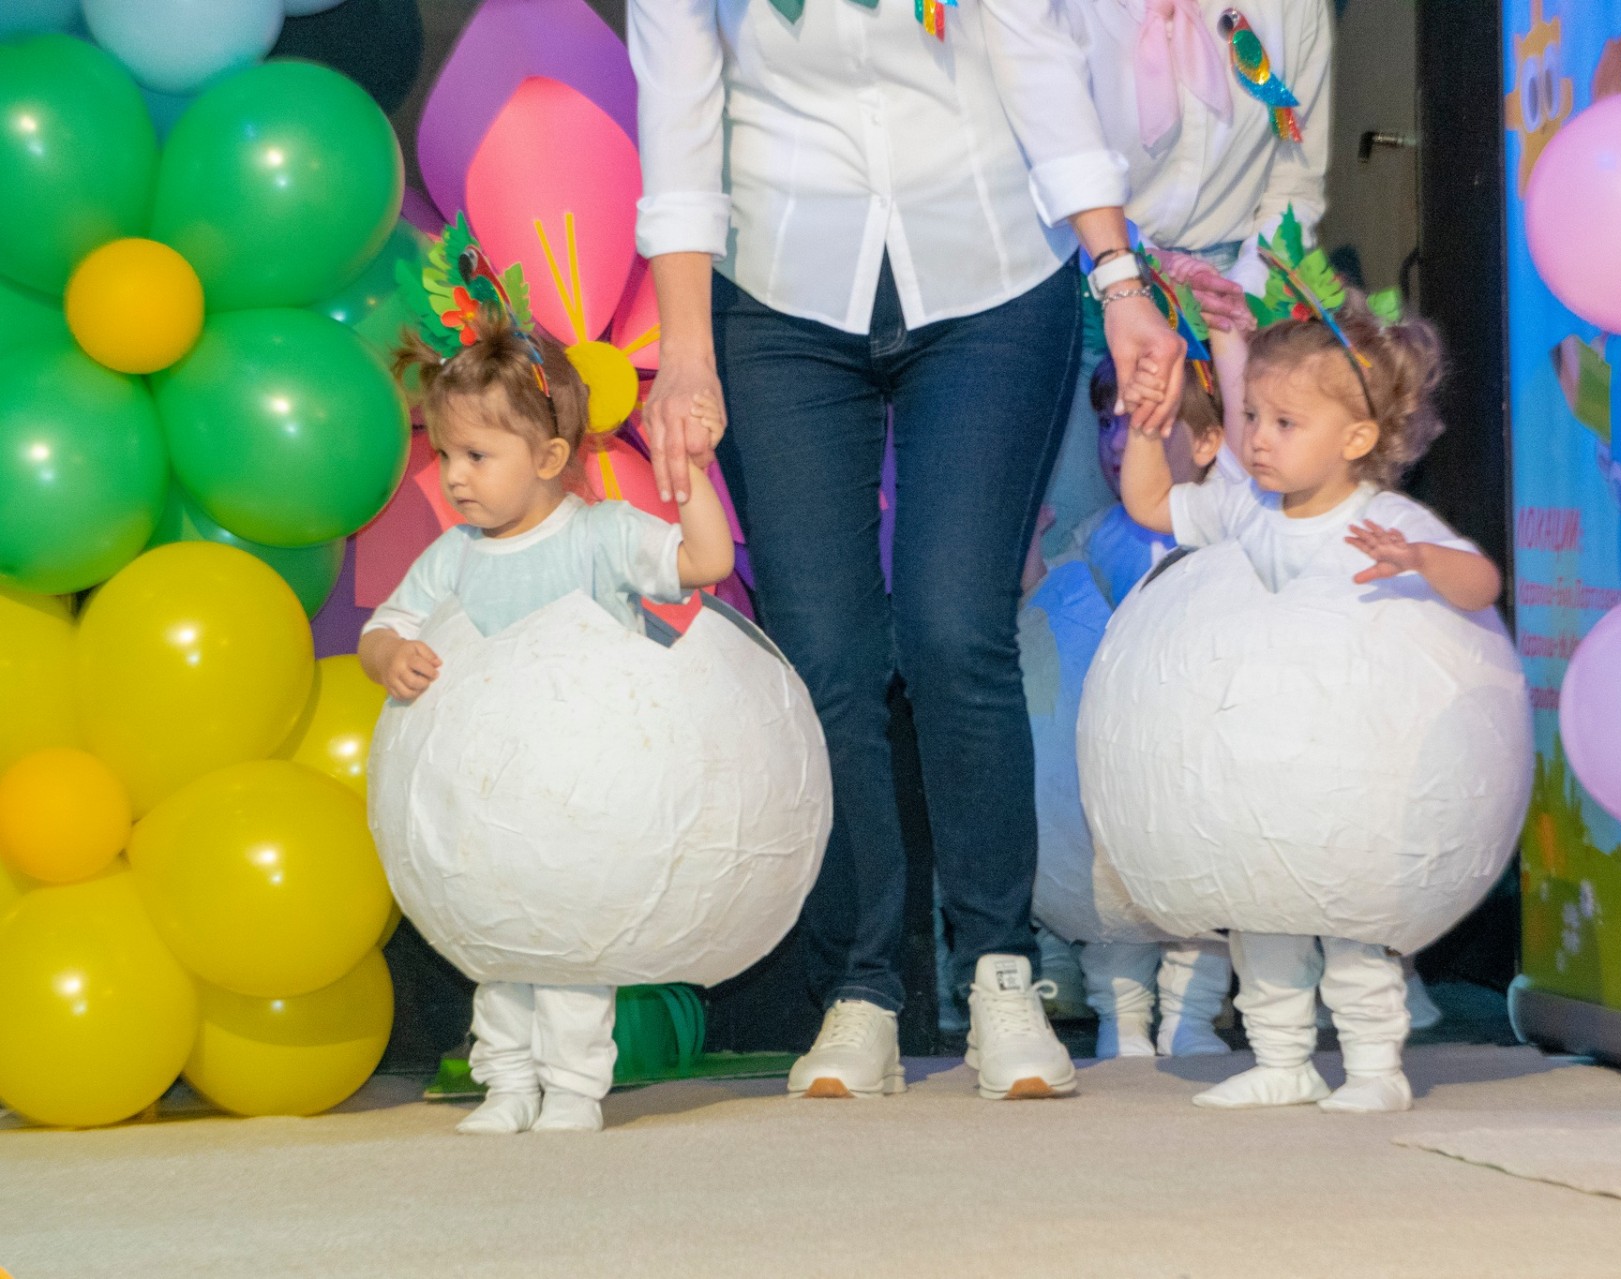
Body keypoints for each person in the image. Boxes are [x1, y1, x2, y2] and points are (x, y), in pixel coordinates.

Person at [627, 0, 1187, 1102]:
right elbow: (680, 113)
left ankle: (999, 971)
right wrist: (684, 350)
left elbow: (1039, 63)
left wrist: (1119, 282)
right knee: (824, 648)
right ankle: (860, 989)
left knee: (952, 627)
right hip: (777, 290)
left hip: (989, 273)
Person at [1117, 299, 1499, 1112]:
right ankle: (1281, 1058)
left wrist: (1420, 558)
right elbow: (1152, 507)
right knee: (1265, 924)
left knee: (1353, 927)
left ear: (1356, 439)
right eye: (1253, 415)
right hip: (1265, 777)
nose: (1258, 437)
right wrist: (1147, 430)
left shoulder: (1382, 519)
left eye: (1285, 422)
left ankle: (1374, 1066)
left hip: (1353, 779)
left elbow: (1481, 584)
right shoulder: (1242, 510)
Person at [361, 308, 737, 1134]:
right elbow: (384, 627)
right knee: (496, 937)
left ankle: (570, 1086)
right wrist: (390, 656)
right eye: (445, 454)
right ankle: (505, 1080)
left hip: (582, 794)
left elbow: (706, 562)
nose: (454, 476)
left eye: (476, 456)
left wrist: (692, 476)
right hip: (485, 796)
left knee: (570, 941)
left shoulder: (599, 537)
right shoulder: (455, 555)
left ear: (550, 458)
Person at [1043, 0, 1333, 553]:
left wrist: (1238, 296)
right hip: (1091, 283)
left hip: (1237, 300)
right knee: (1072, 538)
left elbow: (1294, 185)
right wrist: (1141, 271)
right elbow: (1051, 156)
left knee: (1233, 536)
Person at [1029, 356, 1238, 1060]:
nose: (1119, 441)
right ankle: (1121, 1018)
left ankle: (1191, 1015)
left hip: (1194, 749)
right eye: (1106, 423)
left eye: (1144, 421)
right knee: (1112, 885)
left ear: (1209, 443)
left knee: (1202, 886)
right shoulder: (1093, 536)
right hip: (1113, 756)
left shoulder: (1222, 530)